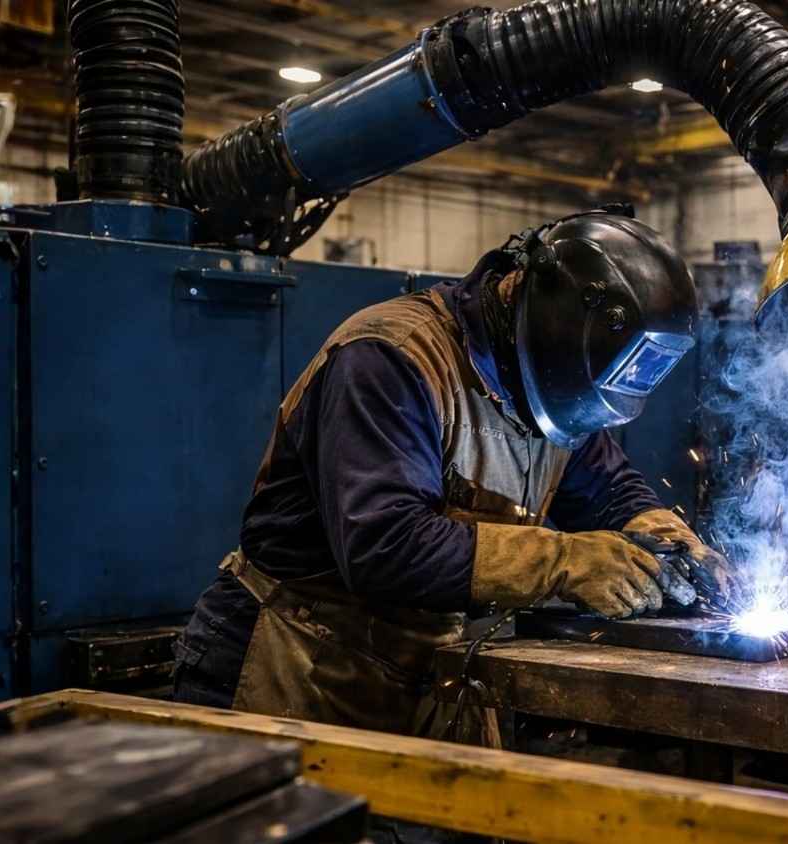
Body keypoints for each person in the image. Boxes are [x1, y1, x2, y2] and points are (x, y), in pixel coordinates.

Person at [172, 209, 734, 739]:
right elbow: (385, 546)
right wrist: (567, 561)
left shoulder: (549, 394)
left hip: (427, 668)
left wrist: (670, 540)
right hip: (302, 664)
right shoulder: (391, 358)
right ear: (542, 317)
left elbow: (607, 488)